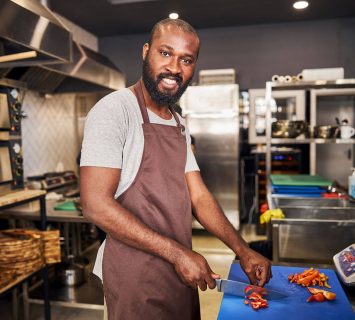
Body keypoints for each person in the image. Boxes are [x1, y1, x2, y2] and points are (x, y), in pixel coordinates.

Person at [80, 18, 272, 320]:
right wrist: (177, 253)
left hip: (182, 270)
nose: (174, 68)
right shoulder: (115, 110)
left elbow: (198, 196)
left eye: (186, 59)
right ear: (146, 52)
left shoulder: (179, 123)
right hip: (136, 275)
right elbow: (95, 205)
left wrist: (243, 250)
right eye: (165, 53)